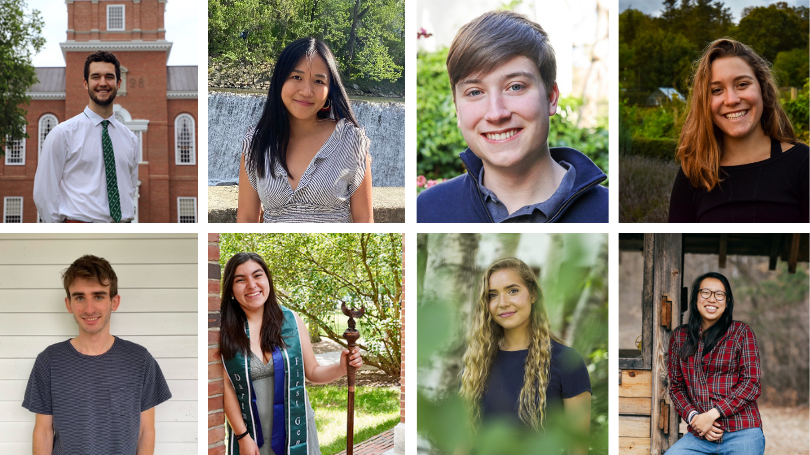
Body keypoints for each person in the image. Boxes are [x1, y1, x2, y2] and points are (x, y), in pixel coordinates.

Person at [416, 11, 608, 223]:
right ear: (457, 111)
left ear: (551, 98)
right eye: (475, 92)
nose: (496, 113)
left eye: (515, 87)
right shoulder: (426, 211)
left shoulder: (609, 213)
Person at [22, 255, 172, 454]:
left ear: (114, 302)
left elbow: (145, 431)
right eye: (80, 297)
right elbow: (43, 431)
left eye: (99, 296)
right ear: (68, 304)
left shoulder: (140, 360)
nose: (89, 308)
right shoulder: (49, 361)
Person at [219, 252, 363, 455]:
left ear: (267, 279)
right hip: (251, 437)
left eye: (257, 275)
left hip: (296, 431)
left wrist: (341, 367)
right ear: (231, 289)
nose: (252, 285)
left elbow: (312, 372)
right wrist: (243, 436)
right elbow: (225, 388)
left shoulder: (291, 321)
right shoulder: (224, 331)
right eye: (240, 280)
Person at [458, 258, 591, 454]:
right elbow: (463, 443)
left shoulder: (567, 362)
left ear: (533, 294)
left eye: (513, 290)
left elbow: (577, 449)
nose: (503, 303)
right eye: (492, 295)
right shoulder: (477, 362)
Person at [669, 39, 809, 222]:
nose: (731, 100)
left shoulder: (802, 163)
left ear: (763, 89)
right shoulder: (694, 174)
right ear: (705, 102)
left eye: (742, 84)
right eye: (717, 90)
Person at [237, 38, 373, 223]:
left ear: (329, 91)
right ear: (280, 81)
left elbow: (364, 221)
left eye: (318, 81)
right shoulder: (256, 144)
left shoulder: (351, 141)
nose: (307, 91)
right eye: (296, 77)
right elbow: (245, 219)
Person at [34, 51, 139, 223]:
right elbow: (43, 192)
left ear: (118, 83)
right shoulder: (62, 134)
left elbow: (130, 188)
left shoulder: (131, 140)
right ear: (85, 83)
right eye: (96, 77)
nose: (103, 83)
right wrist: (61, 233)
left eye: (109, 77)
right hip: (79, 231)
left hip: (123, 233)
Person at [667, 272, 764, 454]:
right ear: (696, 298)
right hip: (699, 435)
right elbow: (676, 387)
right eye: (705, 293)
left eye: (719, 294)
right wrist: (695, 418)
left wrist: (712, 415)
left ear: (727, 302)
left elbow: (751, 383)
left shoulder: (741, 333)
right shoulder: (679, 337)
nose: (712, 299)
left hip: (742, 430)